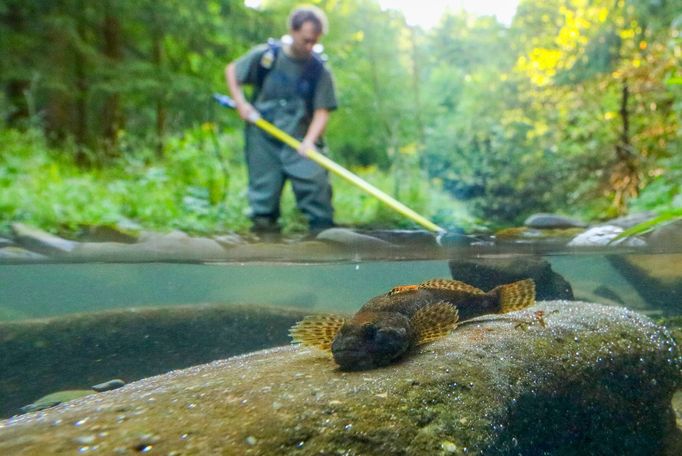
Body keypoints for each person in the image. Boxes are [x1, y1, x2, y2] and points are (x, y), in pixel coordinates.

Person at [225, 5, 337, 236]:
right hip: (263, 138)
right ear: (293, 31)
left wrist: (309, 141)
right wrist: (241, 103)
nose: (310, 46)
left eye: (314, 41)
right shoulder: (266, 56)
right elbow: (232, 71)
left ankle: (324, 244)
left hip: (300, 140)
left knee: (318, 195)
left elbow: (322, 110)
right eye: (306, 40)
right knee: (263, 201)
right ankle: (265, 245)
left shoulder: (319, 70)